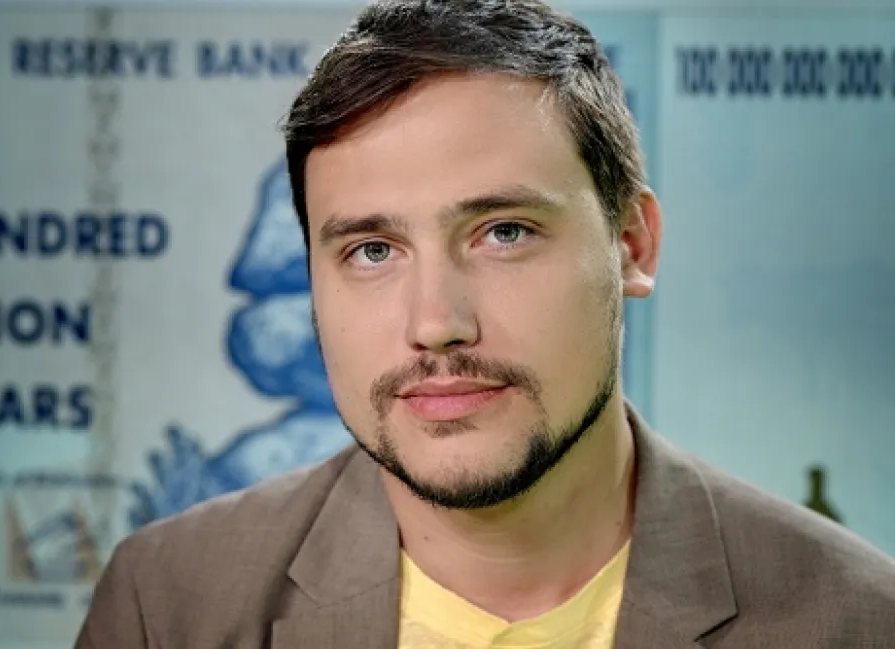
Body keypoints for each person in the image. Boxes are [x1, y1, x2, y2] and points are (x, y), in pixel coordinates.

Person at [75, 1, 895, 647]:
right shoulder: (167, 604)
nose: (435, 323)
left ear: (631, 245)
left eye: (503, 233)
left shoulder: (857, 620)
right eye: (371, 250)